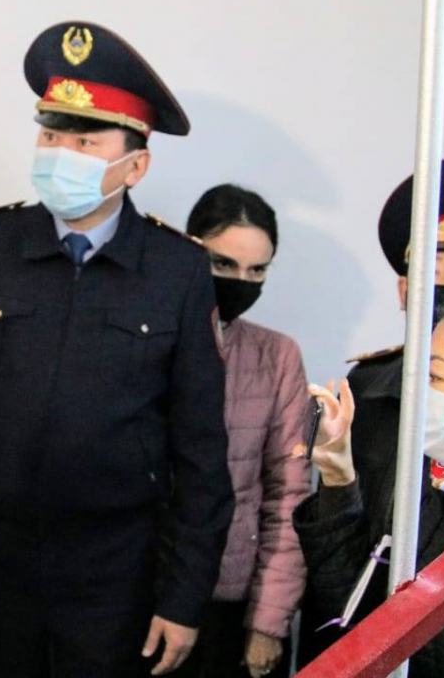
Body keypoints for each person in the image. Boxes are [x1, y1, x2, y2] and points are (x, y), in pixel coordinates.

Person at [0, 21, 234, 676]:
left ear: (136, 165)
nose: (62, 153)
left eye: (86, 141)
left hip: (115, 572)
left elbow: (202, 452)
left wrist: (184, 598)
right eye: (51, 135)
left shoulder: (176, 270)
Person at [297, 157, 444, 664]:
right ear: (405, 288)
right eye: (431, 273)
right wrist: (338, 475)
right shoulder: (367, 393)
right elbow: (353, 590)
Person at [167, 186, 311, 678]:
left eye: (257, 270)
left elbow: (289, 494)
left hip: (232, 604)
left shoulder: (277, 355)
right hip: (140, 590)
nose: (240, 282)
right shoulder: (144, 337)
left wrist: (269, 620)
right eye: (223, 264)